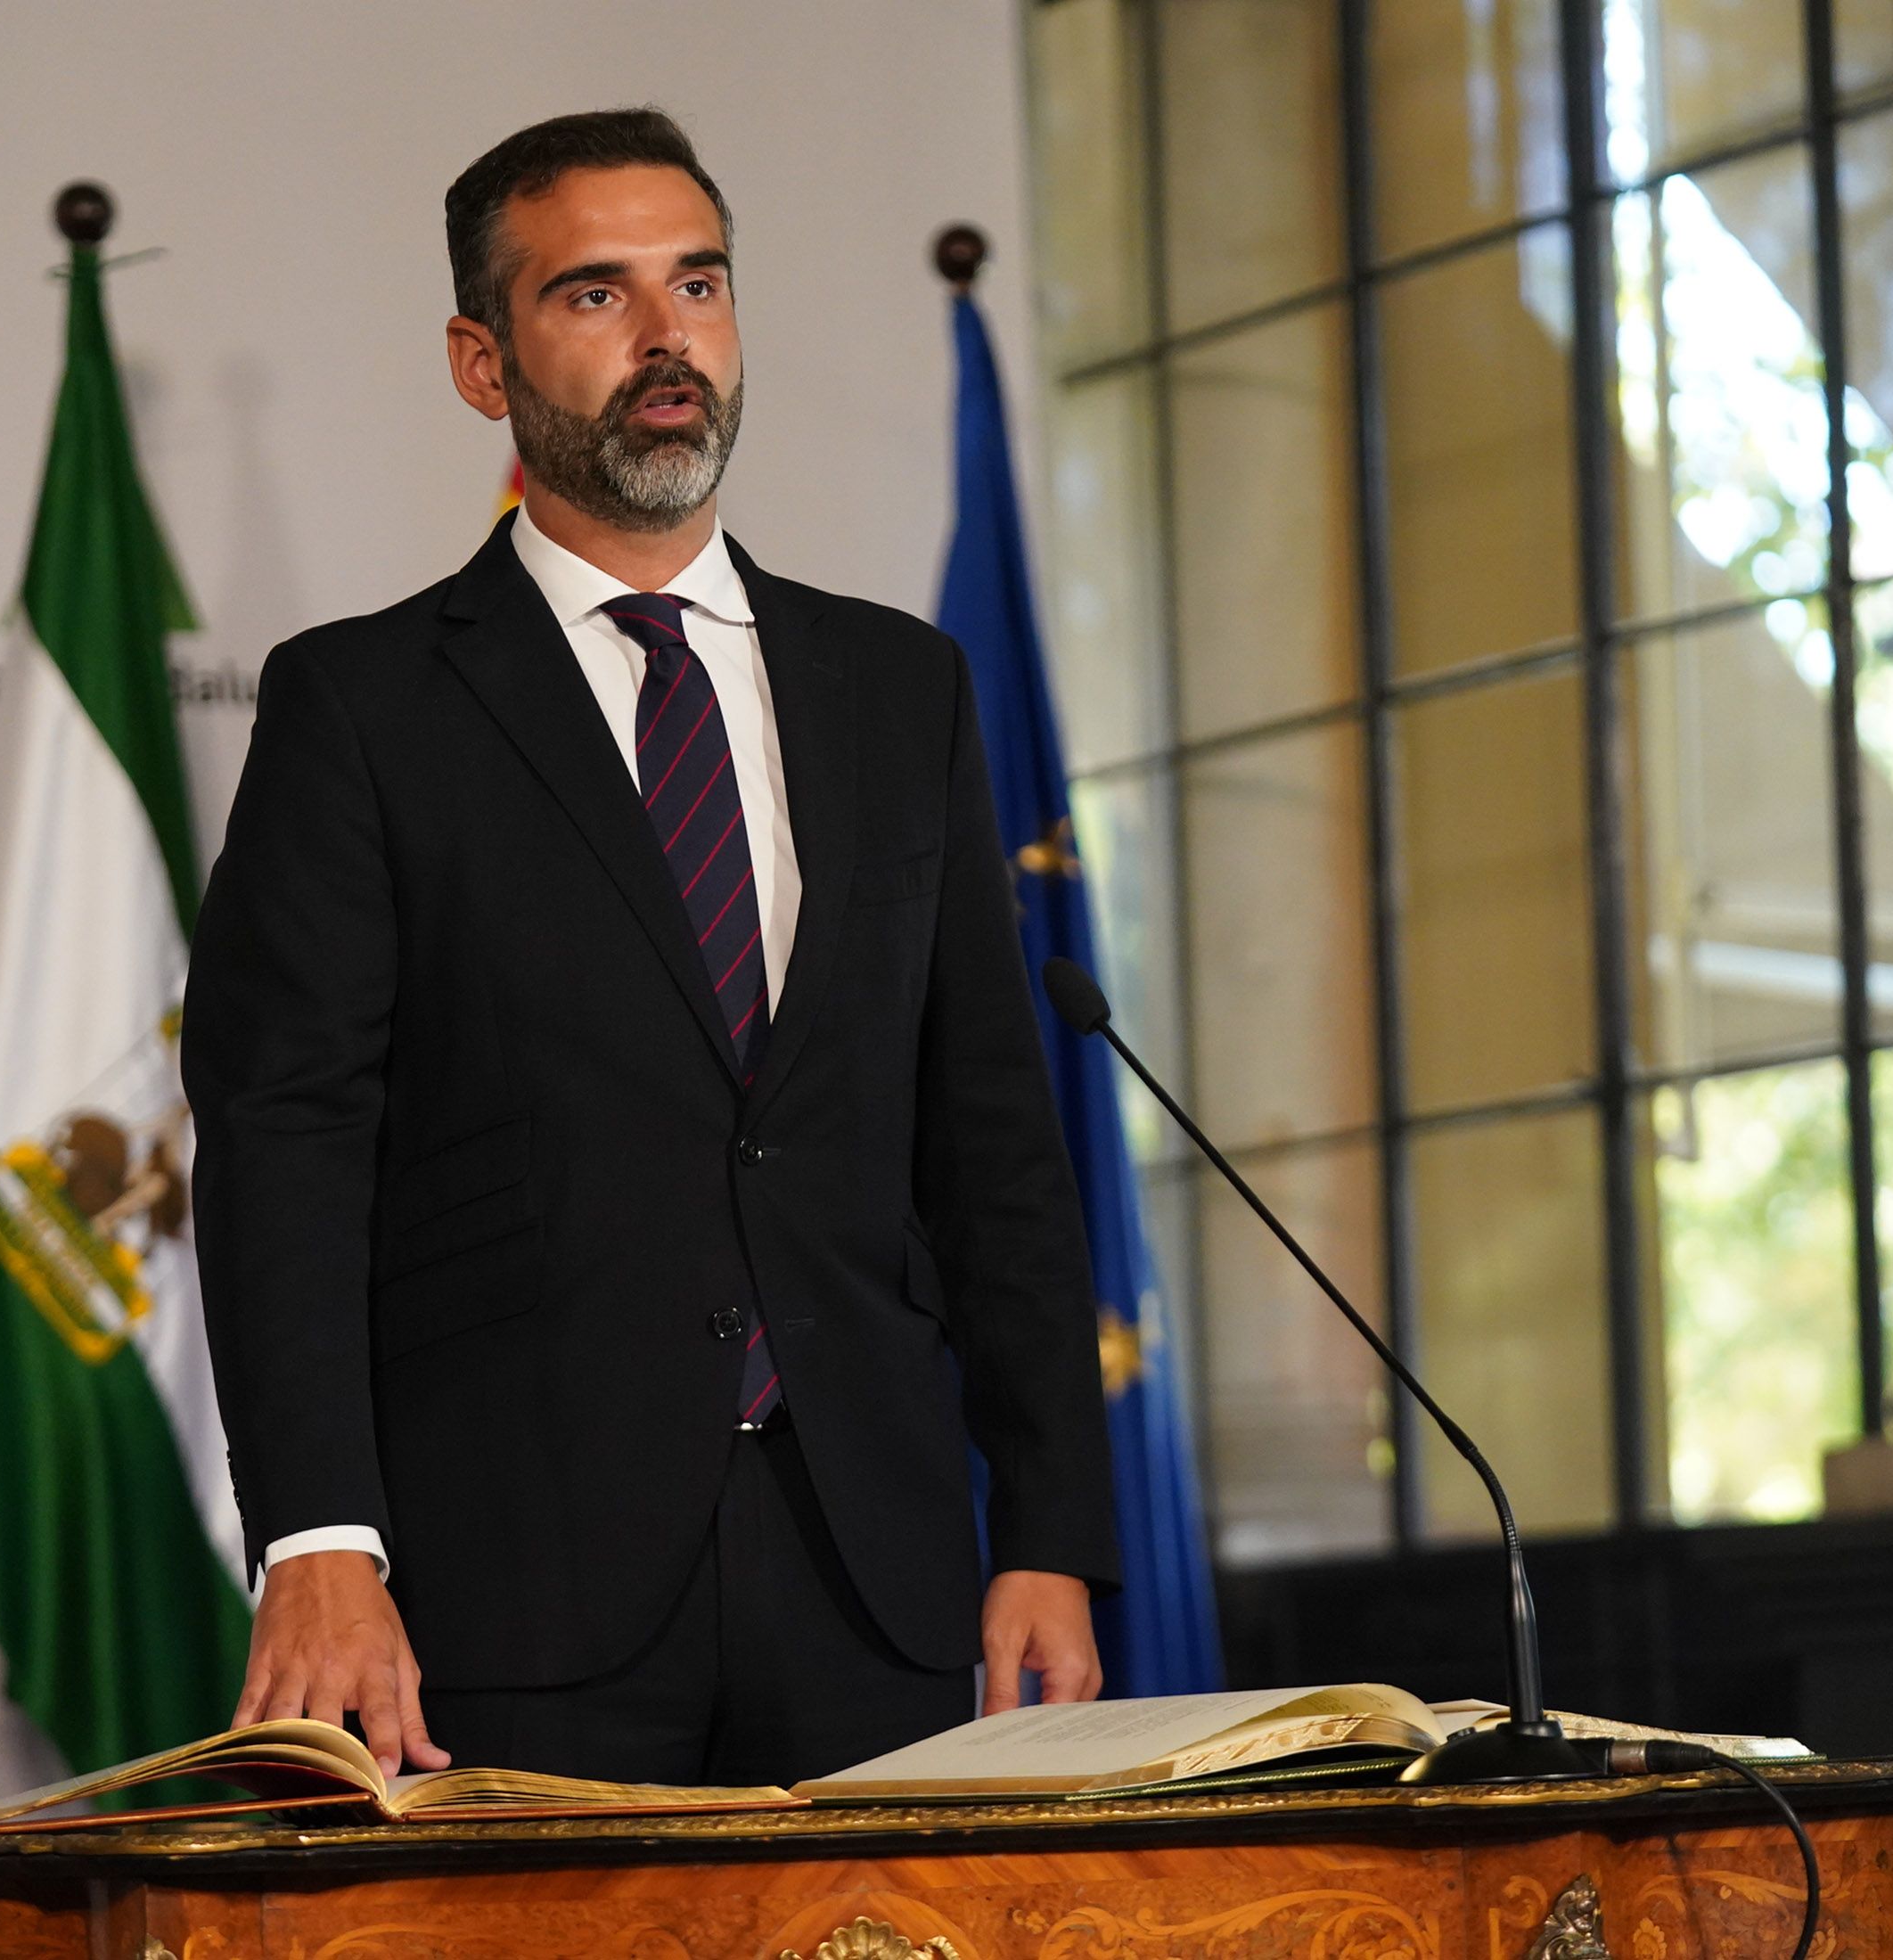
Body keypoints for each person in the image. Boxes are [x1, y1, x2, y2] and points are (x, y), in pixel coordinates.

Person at [183, 107, 1117, 1792]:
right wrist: (319, 1538)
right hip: (516, 1592)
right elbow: (283, 1144)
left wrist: (1048, 1524)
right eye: (596, 296)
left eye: (700, 283)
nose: (669, 335)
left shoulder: (900, 691)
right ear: (484, 362)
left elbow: (993, 1142)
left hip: (882, 1587)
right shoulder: (366, 707)